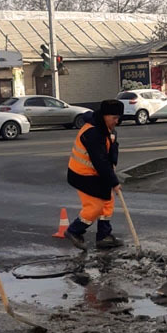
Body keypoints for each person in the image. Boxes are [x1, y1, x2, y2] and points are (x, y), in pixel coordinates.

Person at [65, 99, 124, 251]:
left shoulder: (107, 129)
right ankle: (74, 231)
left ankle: (104, 236)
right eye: (114, 118)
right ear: (104, 115)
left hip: (97, 174)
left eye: (118, 118)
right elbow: (100, 161)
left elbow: (110, 153)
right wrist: (114, 181)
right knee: (95, 207)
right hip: (82, 175)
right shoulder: (93, 133)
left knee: (108, 201)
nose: (117, 121)